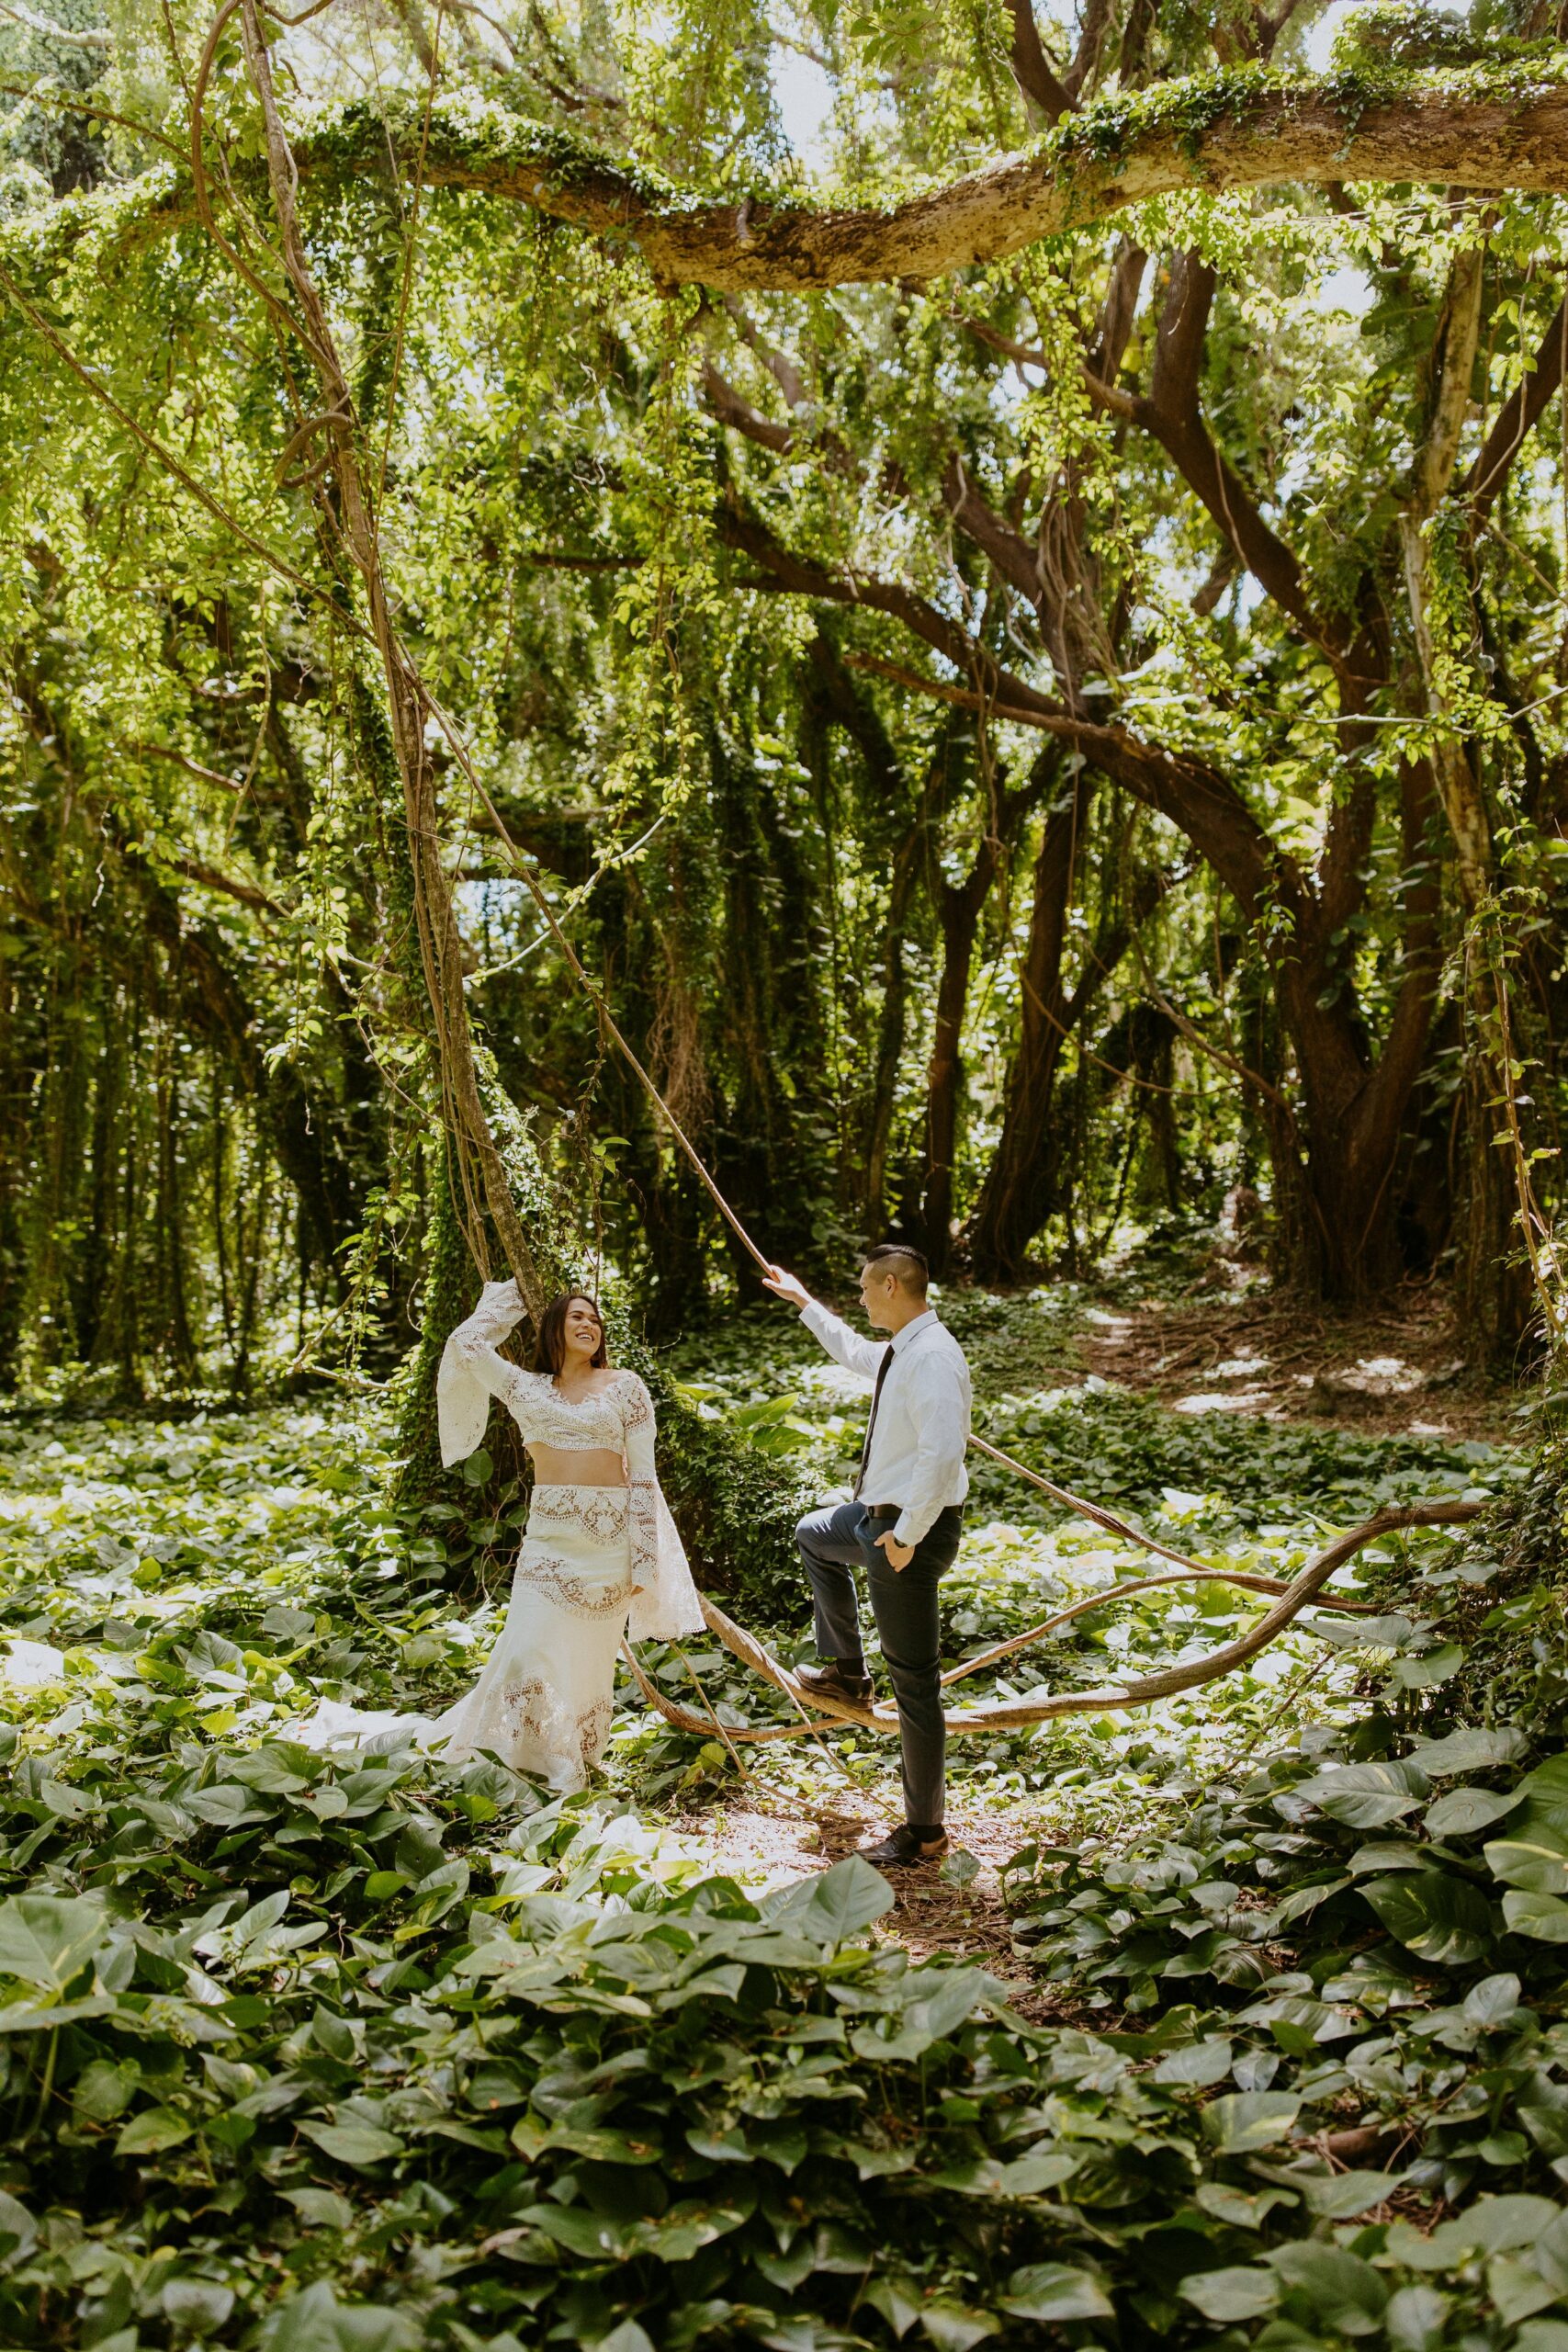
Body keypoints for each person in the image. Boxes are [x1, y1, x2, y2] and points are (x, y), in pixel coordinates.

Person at [298, 1283, 704, 1786]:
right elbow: (466, 1345)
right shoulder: (524, 1387)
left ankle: (566, 1753)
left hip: (610, 1543)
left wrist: (646, 1559)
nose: (588, 1324)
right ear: (553, 1328)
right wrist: (510, 1295)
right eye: (575, 1316)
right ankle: (522, 1750)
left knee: (586, 1661)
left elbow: (643, 1476)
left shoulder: (626, 1386)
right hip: (551, 1542)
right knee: (529, 1647)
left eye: (594, 1318)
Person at [762, 1245, 971, 1868]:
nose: (857, 1296)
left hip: (907, 1532)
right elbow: (854, 1351)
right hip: (875, 1519)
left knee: (915, 1685)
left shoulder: (933, 1357)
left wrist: (906, 1538)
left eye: (861, 1288)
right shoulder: (904, 1348)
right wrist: (803, 1302)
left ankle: (924, 1831)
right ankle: (847, 1672)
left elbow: (941, 1456)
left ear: (888, 1285)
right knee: (812, 1533)